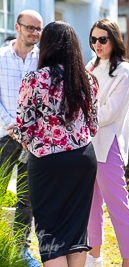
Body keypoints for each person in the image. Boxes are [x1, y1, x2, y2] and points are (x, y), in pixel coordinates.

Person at [13, 21, 99, 266]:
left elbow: (23, 129)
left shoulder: (34, 79)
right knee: (76, 228)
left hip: (47, 162)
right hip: (83, 158)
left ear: (46, 45)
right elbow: (93, 125)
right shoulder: (89, 80)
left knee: (50, 229)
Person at [85, 19, 129, 267]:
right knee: (90, 205)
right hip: (86, 145)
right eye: (93, 39)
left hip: (109, 145)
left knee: (119, 206)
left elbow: (111, 113)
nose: (97, 44)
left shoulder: (124, 70)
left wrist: (82, 119)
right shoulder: (90, 66)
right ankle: (94, 258)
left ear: (114, 39)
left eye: (102, 39)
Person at [0, 9, 42, 266]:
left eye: (38, 29)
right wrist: (11, 125)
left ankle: (21, 247)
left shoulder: (44, 60)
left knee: (28, 195)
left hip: (34, 141)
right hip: (3, 136)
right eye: (30, 28)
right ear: (17, 28)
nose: (35, 33)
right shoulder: (1, 57)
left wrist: (29, 129)